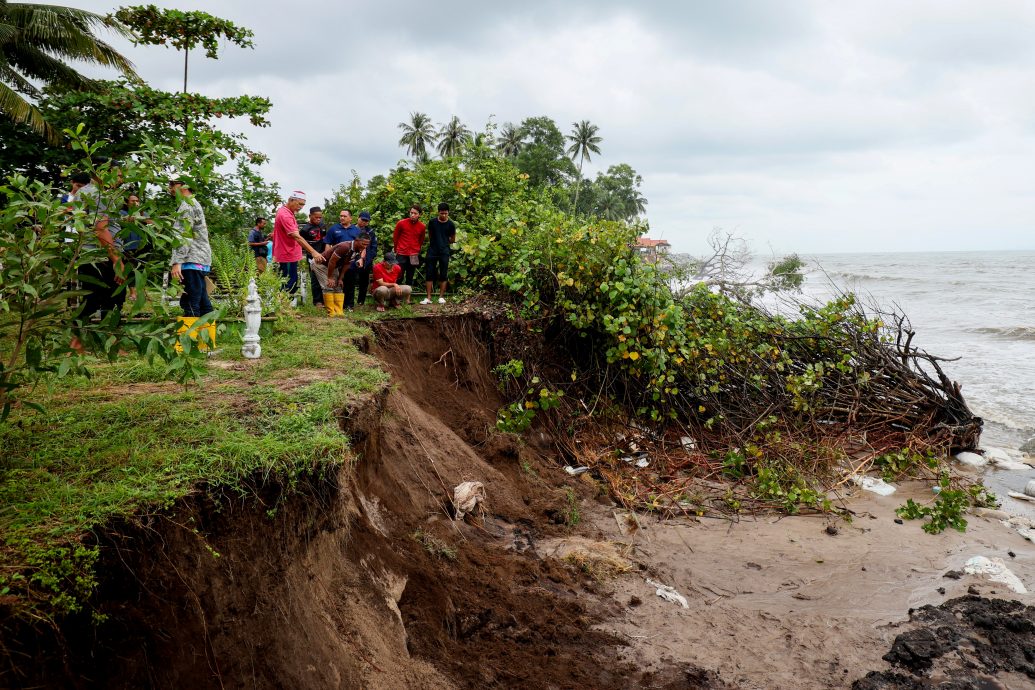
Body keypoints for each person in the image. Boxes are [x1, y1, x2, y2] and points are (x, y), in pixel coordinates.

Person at [70, 159, 126, 352]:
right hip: (102, 256)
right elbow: (101, 229)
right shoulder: (99, 194)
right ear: (101, 173)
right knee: (112, 297)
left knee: (94, 298)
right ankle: (86, 341)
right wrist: (116, 260)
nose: (120, 179)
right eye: (117, 175)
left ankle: (88, 341)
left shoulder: (83, 192)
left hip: (88, 254)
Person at [168, 174, 214, 335]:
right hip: (199, 259)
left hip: (191, 259)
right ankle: (207, 340)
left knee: (191, 301)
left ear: (184, 186)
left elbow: (184, 235)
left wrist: (177, 262)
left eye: (173, 184)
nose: (170, 189)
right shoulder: (193, 203)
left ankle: (191, 340)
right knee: (202, 299)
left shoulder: (187, 206)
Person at [272, 191, 324, 304]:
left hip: (290, 253)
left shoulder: (287, 212)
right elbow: (296, 236)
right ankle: (285, 308)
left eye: (303, 205)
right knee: (289, 283)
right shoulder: (285, 215)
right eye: (299, 204)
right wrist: (313, 252)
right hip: (287, 254)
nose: (300, 207)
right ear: (291, 200)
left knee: (291, 281)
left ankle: (285, 308)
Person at [310, 234, 370, 316]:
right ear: (357, 241)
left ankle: (338, 311)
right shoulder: (344, 247)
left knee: (338, 286)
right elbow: (332, 261)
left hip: (334, 266)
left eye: (367, 245)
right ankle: (331, 312)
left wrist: (340, 278)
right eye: (363, 244)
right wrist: (330, 277)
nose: (365, 247)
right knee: (329, 285)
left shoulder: (357, 249)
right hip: (321, 264)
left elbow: (347, 264)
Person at [342, 210, 378, 309]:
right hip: (352, 259)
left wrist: (369, 258)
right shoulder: (351, 229)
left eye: (366, 221)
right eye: (362, 220)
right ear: (358, 218)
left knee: (364, 282)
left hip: (366, 261)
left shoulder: (370, 232)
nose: (364, 222)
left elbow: (374, 247)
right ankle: (348, 302)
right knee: (350, 281)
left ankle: (361, 302)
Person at [421, 202, 456, 305]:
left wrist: (444, 243)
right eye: (442, 213)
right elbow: (430, 235)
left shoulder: (451, 224)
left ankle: (441, 297)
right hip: (432, 250)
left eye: (445, 213)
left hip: (444, 251)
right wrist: (436, 243)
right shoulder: (432, 222)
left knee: (443, 273)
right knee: (429, 273)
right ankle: (428, 297)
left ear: (448, 213)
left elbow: (453, 239)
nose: (444, 215)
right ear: (438, 212)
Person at [298, 206, 326, 306]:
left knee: (324, 277)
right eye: (316, 217)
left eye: (320, 217)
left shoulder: (322, 226)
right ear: (310, 216)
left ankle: (325, 299)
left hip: (323, 255)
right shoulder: (305, 230)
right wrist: (311, 254)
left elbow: (326, 240)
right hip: (312, 257)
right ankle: (317, 301)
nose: (318, 219)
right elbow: (301, 243)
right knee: (315, 278)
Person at [392, 204, 425, 286]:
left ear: (419, 215)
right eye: (411, 212)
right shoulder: (401, 223)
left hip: (414, 254)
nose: (413, 215)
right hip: (401, 253)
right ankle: (397, 297)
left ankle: (407, 297)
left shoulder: (422, 226)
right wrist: (397, 250)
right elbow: (395, 237)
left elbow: (421, 240)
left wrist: (417, 250)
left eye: (415, 213)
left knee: (410, 276)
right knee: (399, 275)